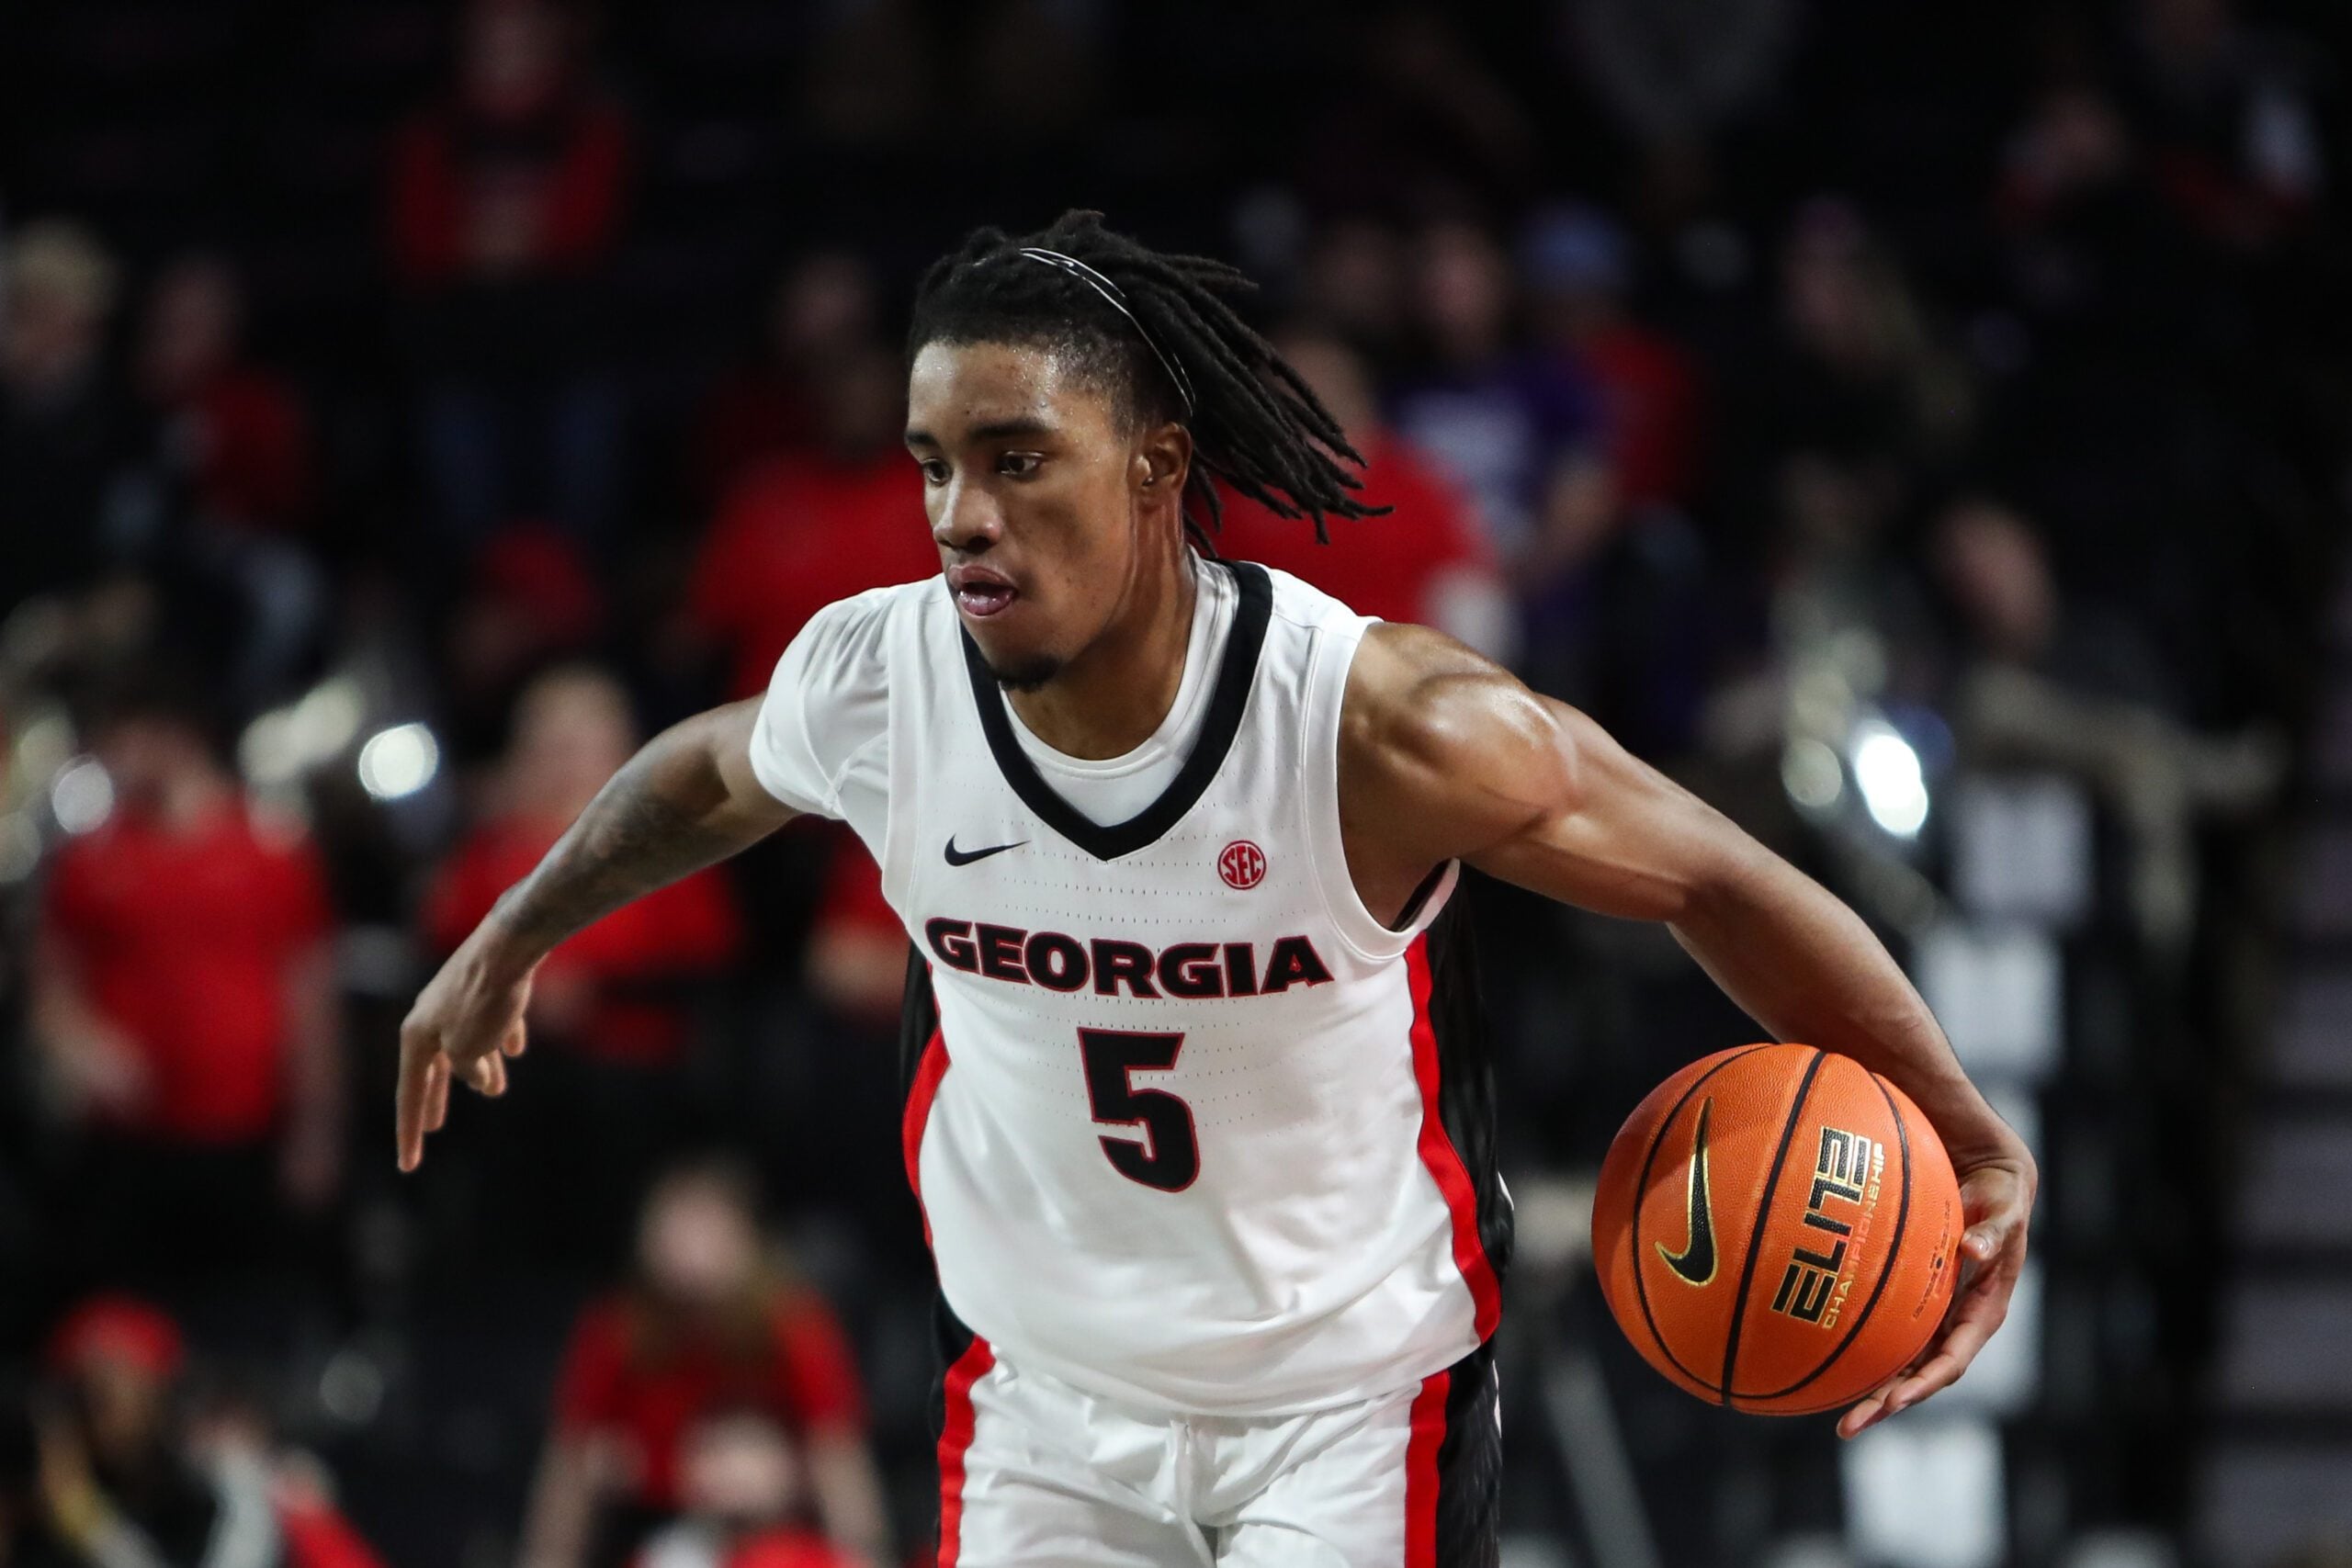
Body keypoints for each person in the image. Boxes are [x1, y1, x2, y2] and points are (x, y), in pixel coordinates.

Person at [398, 211, 2036, 1566]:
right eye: (934, 464)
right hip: (1040, 1393)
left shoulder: (1383, 727)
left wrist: (1963, 1129)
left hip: (1348, 1402)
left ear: (1155, 465)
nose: (962, 516)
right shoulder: (882, 678)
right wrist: (508, 935)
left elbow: (1716, 878)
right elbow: (706, 769)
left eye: (1018, 459)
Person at [35, 678, 341, 1325]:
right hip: (128, 1143)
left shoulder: (270, 851)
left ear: (175, 737)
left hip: (244, 1135)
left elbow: (311, 999)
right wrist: (81, 1044)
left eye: (126, 737)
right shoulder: (90, 860)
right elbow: (52, 987)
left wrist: (316, 1128)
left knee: (241, 1320)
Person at [520, 1162, 886, 1568]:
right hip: (651, 1523)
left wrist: (864, 1557)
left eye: (708, 1228)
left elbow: (838, 1455)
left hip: (776, 1529)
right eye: (678, 1228)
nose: (692, 1250)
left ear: (746, 1238)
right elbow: (570, 1459)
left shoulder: (795, 1325)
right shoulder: (617, 1330)